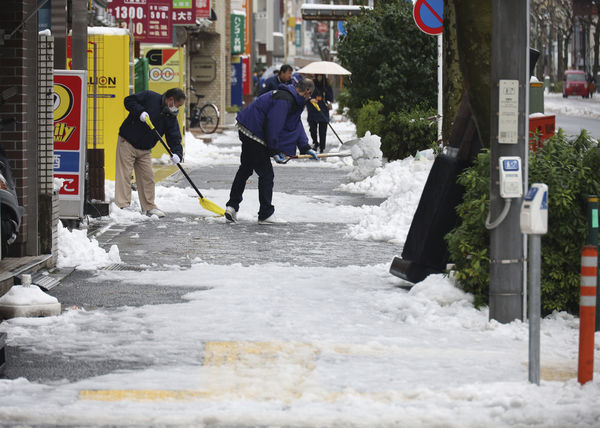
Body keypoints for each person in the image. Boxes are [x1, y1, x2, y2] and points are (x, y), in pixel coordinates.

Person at [225, 78, 319, 224]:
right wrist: (274, 150)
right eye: (310, 94)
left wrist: (305, 147)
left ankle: (231, 207)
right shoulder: (284, 100)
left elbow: (295, 123)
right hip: (254, 132)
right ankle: (265, 214)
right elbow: (273, 125)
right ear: (307, 91)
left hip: (248, 128)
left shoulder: (292, 98)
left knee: (245, 169)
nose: (310, 97)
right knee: (266, 174)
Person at [115, 87, 185, 218]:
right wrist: (140, 112)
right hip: (128, 141)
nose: (178, 109)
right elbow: (129, 101)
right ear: (170, 100)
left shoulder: (170, 116)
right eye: (178, 105)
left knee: (148, 178)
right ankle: (123, 205)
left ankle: (149, 207)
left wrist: (177, 153)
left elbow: (174, 136)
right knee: (124, 174)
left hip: (145, 149)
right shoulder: (150, 97)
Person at [306, 74, 334, 153]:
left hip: (323, 111)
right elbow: (306, 96)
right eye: (318, 75)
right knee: (312, 130)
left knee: (322, 131)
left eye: (321, 76)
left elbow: (331, 98)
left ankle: (322, 147)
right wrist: (310, 99)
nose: (319, 77)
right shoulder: (311, 85)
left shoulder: (327, 86)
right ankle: (315, 142)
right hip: (312, 110)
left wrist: (326, 94)